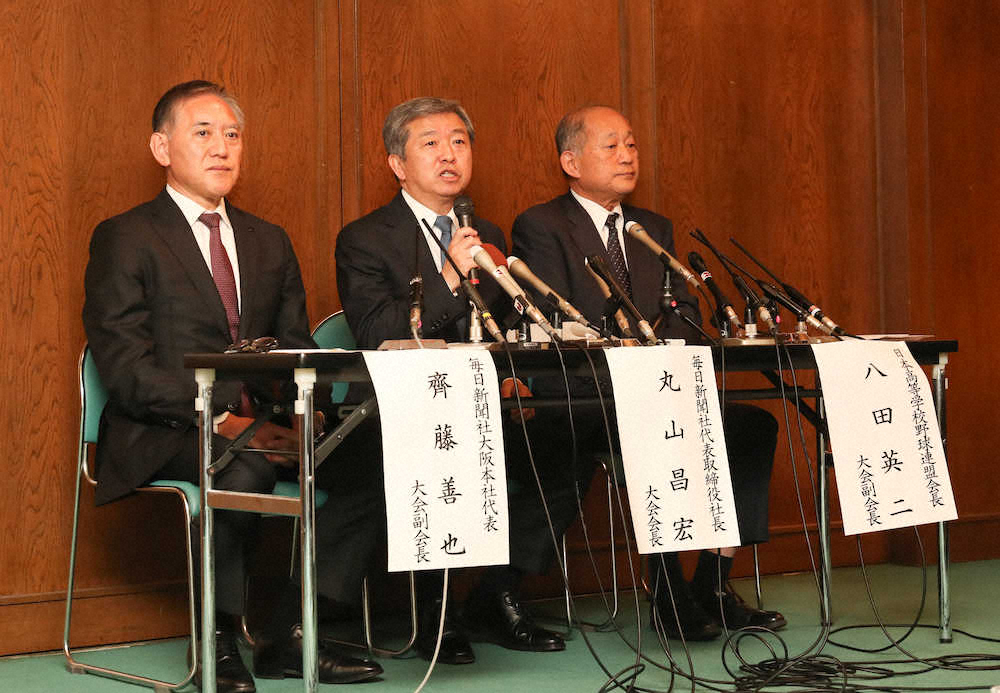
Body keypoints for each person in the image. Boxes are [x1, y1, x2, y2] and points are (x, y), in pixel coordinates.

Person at [83, 80, 381, 692]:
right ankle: (217, 640)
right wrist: (217, 417)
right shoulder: (126, 235)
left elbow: (299, 347)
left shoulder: (268, 240)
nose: (222, 147)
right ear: (161, 147)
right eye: (203, 133)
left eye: (233, 135)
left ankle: (291, 632)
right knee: (242, 468)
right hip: (160, 426)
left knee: (370, 458)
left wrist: (310, 414)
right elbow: (125, 365)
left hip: (262, 425)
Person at [511, 104, 786, 640]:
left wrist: (672, 334)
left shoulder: (649, 228)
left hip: (659, 388)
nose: (627, 155)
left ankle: (711, 582)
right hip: (585, 395)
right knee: (652, 432)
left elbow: (683, 312)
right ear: (570, 161)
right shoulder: (542, 226)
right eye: (610, 145)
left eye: (632, 144)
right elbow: (554, 320)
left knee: (752, 425)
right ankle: (667, 592)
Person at [329, 96, 566, 665]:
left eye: (459, 141)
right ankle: (433, 612)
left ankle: (498, 592)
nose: (449, 154)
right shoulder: (365, 237)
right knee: (429, 450)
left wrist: (515, 374)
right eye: (430, 143)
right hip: (399, 409)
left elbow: (506, 322)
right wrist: (448, 278)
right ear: (397, 163)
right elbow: (376, 332)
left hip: (483, 401)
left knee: (562, 439)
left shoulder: (484, 232)